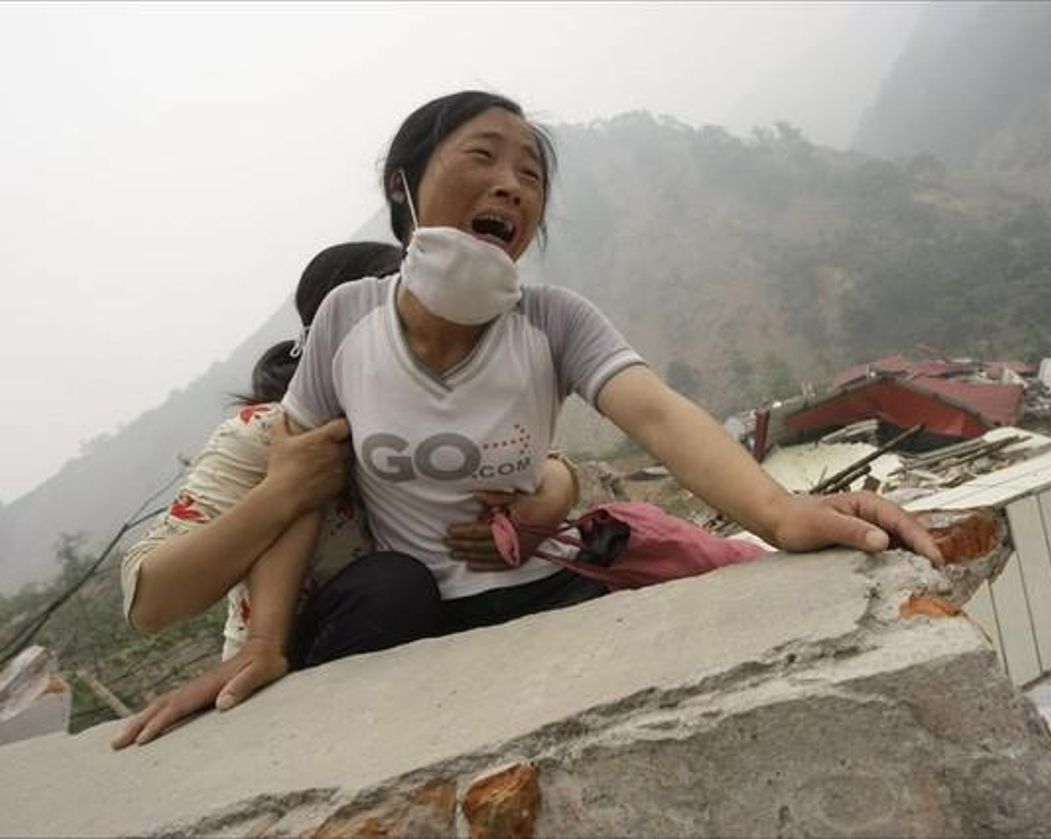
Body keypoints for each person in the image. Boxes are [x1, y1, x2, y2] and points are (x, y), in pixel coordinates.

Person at [115, 89, 939, 749]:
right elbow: (299, 488)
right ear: (402, 185)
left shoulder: (555, 319)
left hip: (546, 586)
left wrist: (782, 512)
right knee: (392, 590)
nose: (512, 182)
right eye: (482, 155)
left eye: (533, 175)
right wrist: (263, 648)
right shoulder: (345, 318)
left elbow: (656, 411)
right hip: (414, 613)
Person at [112, 240, 580, 748]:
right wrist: (283, 492)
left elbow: (541, 463)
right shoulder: (263, 436)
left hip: (437, 646)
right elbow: (150, 602)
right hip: (301, 668)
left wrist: (557, 488)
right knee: (393, 586)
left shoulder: (442, 419)